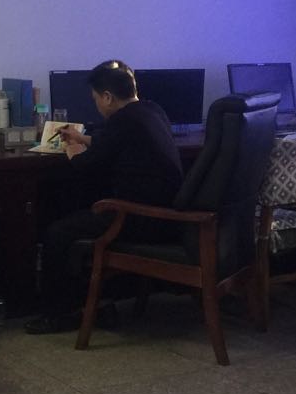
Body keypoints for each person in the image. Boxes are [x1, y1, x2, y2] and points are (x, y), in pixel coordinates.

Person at [26, 59, 183, 334]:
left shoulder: (122, 121)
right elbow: (112, 142)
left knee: (57, 232)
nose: (97, 104)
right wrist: (82, 138)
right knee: (79, 211)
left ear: (108, 97)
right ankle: (94, 304)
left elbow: (85, 165)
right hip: (168, 215)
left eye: (96, 98)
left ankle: (58, 314)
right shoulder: (151, 110)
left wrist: (72, 149)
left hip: (138, 218)